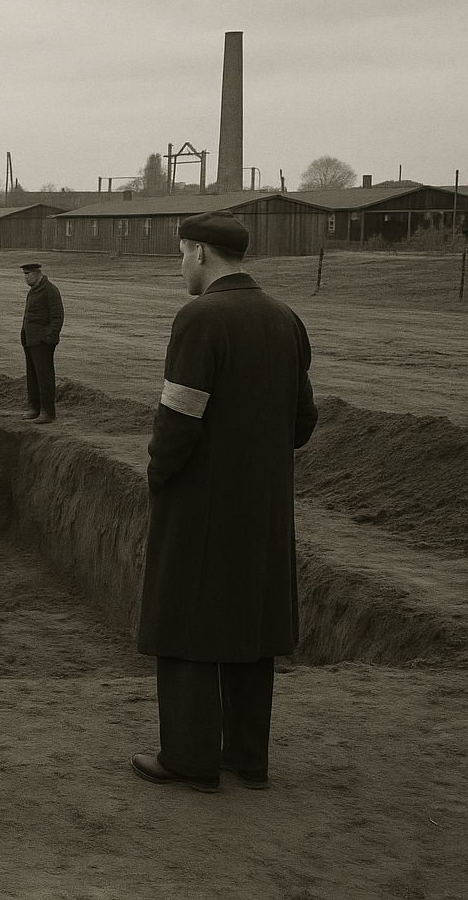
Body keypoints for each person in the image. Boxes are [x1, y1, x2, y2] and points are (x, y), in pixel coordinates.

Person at [132, 212, 319, 793]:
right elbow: (303, 421)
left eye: (182, 254)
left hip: (199, 503)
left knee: (186, 622)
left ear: (201, 253)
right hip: (264, 508)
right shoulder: (285, 318)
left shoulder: (200, 317)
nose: (181, 266)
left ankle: (190, 760)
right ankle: (247, 758)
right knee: (249, 626)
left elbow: (178, 418)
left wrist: (159, 475)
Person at [19, 262, 64, 424]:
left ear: (37, 274)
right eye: (24, 274)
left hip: (42, 342)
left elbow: (57, 316)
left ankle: (48, 412)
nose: (25, 277)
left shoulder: (50, 290)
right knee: (32, 376)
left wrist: (50, 338)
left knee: (44, 377)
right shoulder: (34, 290)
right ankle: (34, 408)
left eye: (27, 274)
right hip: (30, 341)